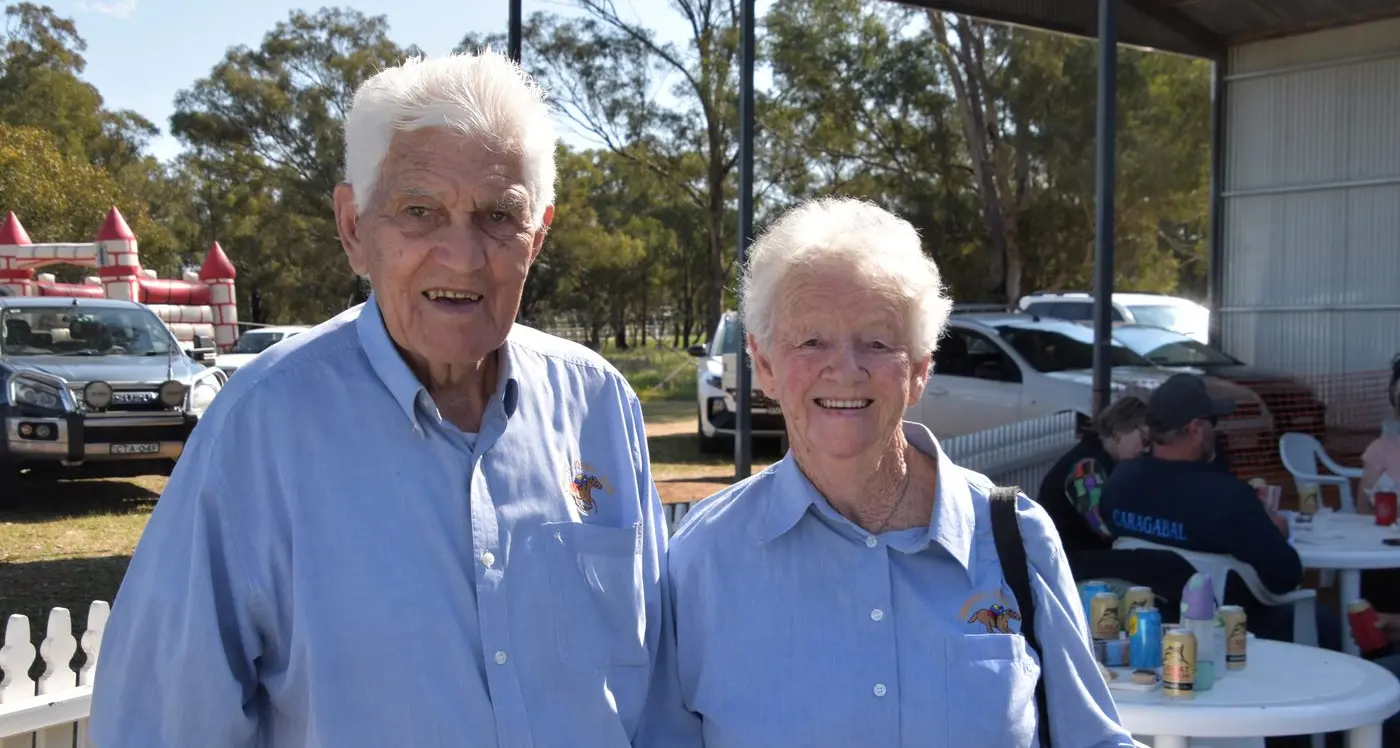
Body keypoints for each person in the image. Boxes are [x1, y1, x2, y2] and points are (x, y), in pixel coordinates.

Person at [90, 51, 669, 747]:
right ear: (354, 228)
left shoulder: (599, 405)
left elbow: (658, 695)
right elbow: (160, 724)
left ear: (538, 235)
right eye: (419, 211)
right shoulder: (260, 428)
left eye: (497, 216)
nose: (462, 256)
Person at [639, 197, 1136, 747]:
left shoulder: (1014, 538)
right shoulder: (702, 559)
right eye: (811, 341)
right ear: (764, 365)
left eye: (876, 343)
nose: (846, 370)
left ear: (920, 369)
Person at [1035, 394, 1148, 554]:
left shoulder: (1100, 458)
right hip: (1065, 560)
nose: (1146, 449)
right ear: (1120, 431)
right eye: (1143, 440)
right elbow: (1102, 526)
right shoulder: (1086, 468)